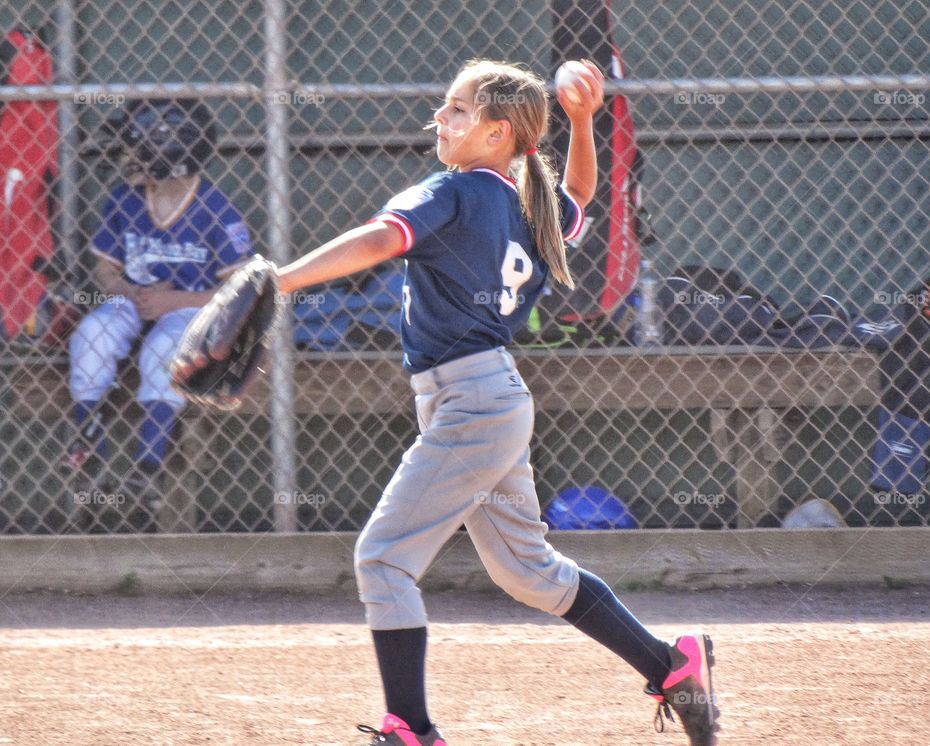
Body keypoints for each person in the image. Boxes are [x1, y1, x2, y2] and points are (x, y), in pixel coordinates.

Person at [275, 60, 719, 745]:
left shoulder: (455, 191)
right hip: (491, 400)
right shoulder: (528, 203)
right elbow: (578, 190)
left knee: (383, 558)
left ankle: (411, 729)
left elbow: (380, 239)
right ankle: (670, 666)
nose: (441, 121)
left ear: (496, 133)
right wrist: (579, 120)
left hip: (472, 404)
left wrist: (285, 279)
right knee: (529, 574)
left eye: (456, 111)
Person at [65, 98, 254, 530]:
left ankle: (145, 468)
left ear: (169, 157)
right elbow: (105, 266)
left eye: (137, 150)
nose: (126, 159)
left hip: (189, 309)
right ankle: (86, 443)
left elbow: (240, 289)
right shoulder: (127, 199)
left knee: (164, 348)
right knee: (93, 333)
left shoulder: (213, 208)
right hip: (134, 300)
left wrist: (174, 302)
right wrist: (125, 290)